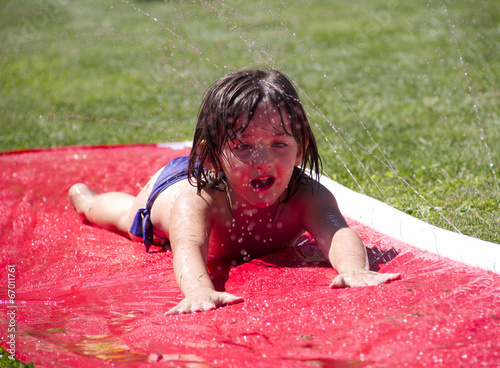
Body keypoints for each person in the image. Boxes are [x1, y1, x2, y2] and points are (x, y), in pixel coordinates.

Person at [68, 69, 400, 314]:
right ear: (211, 155)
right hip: (173, 188)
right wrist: (199, 290)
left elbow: (338, 232)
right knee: (126, 218)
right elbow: (188, 248)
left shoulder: (306, 195)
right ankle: (87, 200)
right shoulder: (196, 202)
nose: (263, 160)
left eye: (279, 144)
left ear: (300, 150)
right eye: (244, 146)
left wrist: (353, 269)